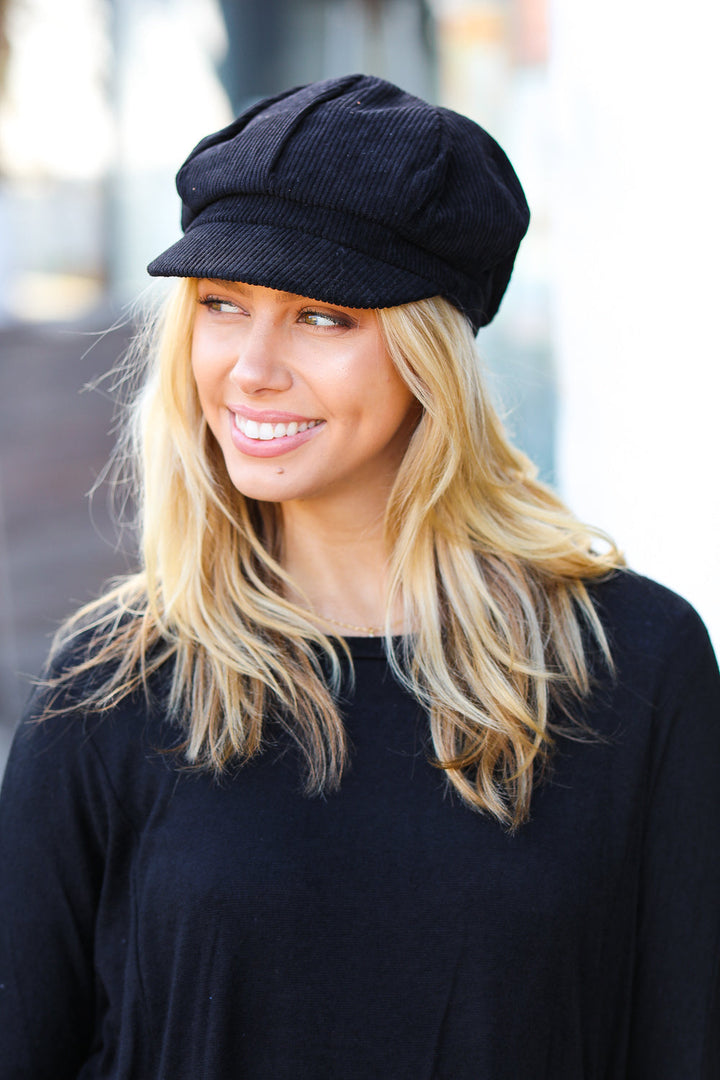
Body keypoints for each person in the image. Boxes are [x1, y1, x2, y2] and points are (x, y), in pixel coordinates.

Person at [1, 73, 718, 1079]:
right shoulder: (110, 683)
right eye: (221, 304)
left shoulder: (633, 665)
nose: (250, 367)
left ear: (432, 355)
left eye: (321, 317)